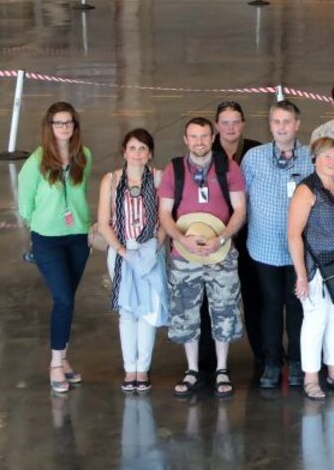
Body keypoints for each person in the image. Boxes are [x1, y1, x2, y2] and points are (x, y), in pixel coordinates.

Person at [159, 118, 247, 399]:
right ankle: (192, 369)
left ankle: (222, 368)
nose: (199, 142)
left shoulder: (228, 169)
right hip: (185, 254)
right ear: (186, 139)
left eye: (204, 136)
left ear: (213, 138)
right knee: (186, 310)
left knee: (224, 309)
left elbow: (240, 210)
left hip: (219, 251)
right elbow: (164, 213)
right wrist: (181, 239)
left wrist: (220, 239)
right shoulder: (174, 171)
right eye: (193, 137)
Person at [18, 102, 93, 395]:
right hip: (47, 239)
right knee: (62, 299)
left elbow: (82, 191)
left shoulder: (83, 156)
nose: (64, 127)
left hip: (77, 237)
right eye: (58, 123)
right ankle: (55, 364)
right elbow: (25, 204)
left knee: (68, 301)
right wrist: (40, 225)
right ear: (49, 127)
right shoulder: (36, 162)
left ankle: (63, 358)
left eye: (69, 122)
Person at [241, 101, 311, 390]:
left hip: (299, 250)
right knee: (269, 305)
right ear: (270, 125)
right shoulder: (253, 158)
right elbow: (241, 200)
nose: (282, 127)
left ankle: (296, 359)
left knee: (296, 305)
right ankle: (271, 361)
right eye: (276, 122)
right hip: (264, 247)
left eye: (287, 121)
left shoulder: (309, 157)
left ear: (297, 124)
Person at [95, 128, 167, 395]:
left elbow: (165, 218)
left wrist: (154, 247)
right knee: (127, 311)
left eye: (142, 149)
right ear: (124, 152)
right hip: (122, 252)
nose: (137, 154)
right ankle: (129, 368)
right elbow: (104, 223)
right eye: (132, 148)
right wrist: (123, 252)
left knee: (147, 310)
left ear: (150, 154)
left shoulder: (160, 179)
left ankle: (143, 369)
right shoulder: (111, 181)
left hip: (150, 251)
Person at [287, 138, 334, 399]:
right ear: (314, 159)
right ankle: (311, 378)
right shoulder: (307, 190)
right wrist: (301, 276)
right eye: (327, 156)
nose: (333, 161)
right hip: (317, 268)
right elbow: (294, 235)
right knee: (315, 322)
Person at [213, 100, 263, 376]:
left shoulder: (257, 150)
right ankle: (212, 362)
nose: (231, 127)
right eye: (225, 122)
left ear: (243, 124)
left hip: (251, 236)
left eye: (236, 122)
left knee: (256, 298)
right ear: (217, 126)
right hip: (217, 237)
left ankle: (264, 355)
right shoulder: (206, 153)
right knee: (215, 299)